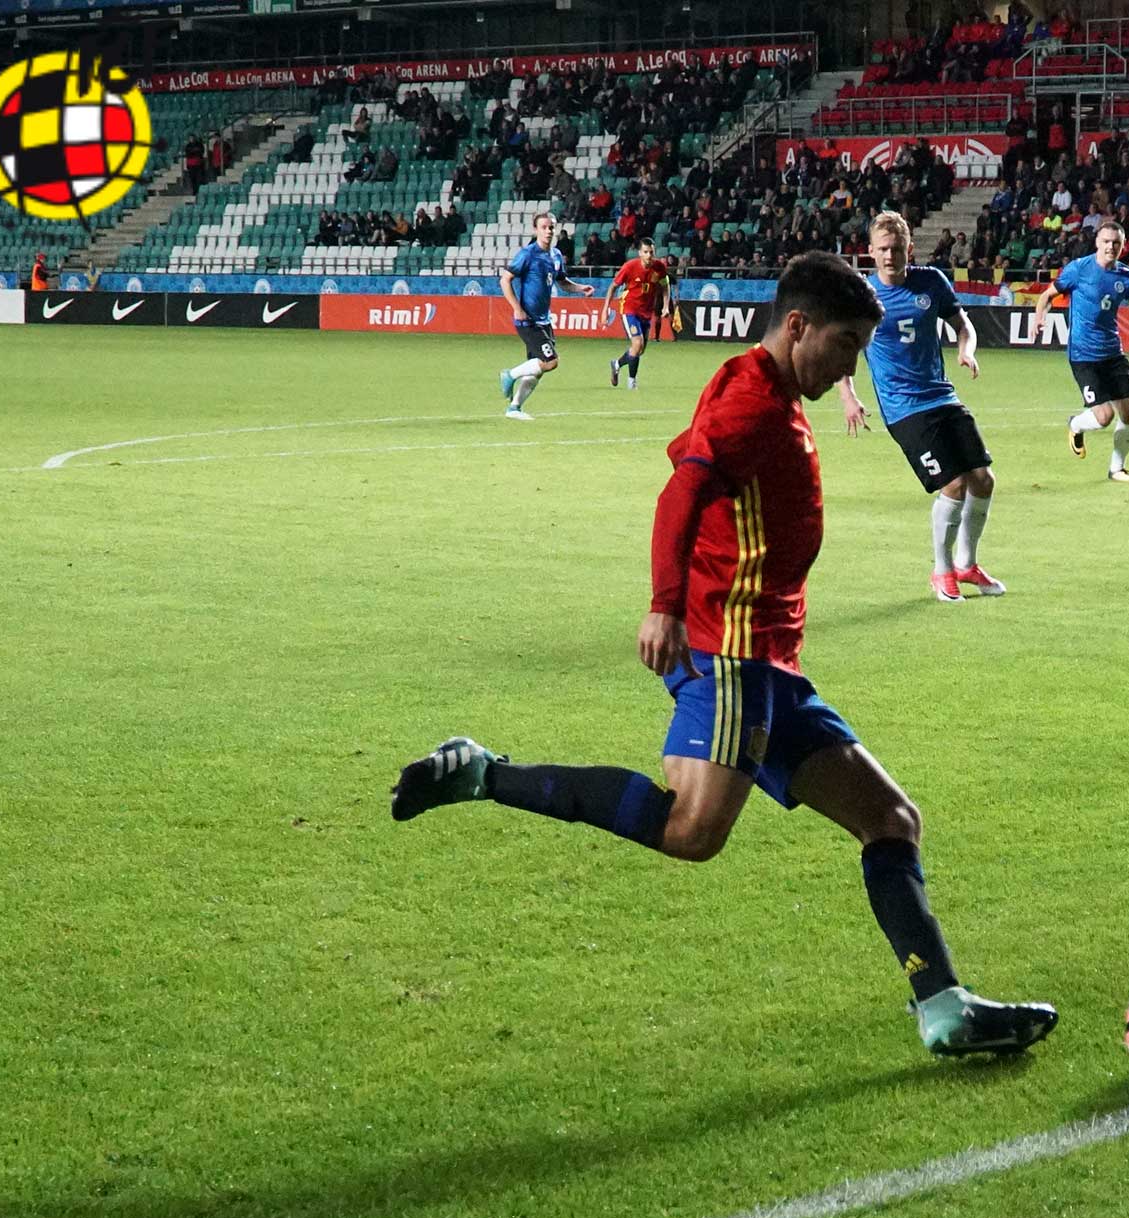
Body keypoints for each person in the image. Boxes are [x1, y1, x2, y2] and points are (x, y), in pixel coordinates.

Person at [389, 253, 1057, 1057]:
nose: (852, 364)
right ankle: (481, 772)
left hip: (772, 660)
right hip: (730, 650)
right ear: (799, 327)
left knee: (891, 818)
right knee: (693, 830)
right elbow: (682, 490)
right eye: (845, 345)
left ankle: (944, 1006)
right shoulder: (751, 401)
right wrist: (666, 606)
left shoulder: (762, 385)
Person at [840, 211, 1007, 603]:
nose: (889, 256)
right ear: (869, 252)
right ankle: (942, 570)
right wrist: (848, 394)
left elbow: (963, 324)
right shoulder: (862, 296)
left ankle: (967, 563)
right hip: (904, 409)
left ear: (909, 249)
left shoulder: (931, 281)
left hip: (943, 396)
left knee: (983, 480)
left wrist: (966, 351)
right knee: (953, 483)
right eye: (882, 249)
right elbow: (842, 348)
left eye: (896, 249)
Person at [1033, 222, 1129, 483]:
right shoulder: (1079, 269)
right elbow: (1048, 294)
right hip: (1084, 355)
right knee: (1104, 417)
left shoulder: (1126, 277)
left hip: (1113, 353)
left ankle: (1117, 469)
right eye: (1106, 241)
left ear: (1123, 245)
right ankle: (1075, 424)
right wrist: (1040, 316)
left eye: (1116, 243)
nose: (1111, 246)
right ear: (1097, 242)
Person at [498, 212, 596, 420]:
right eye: (544, 227)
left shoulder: (556, 255)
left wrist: (581, 289)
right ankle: (509, 375)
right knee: (551, 361)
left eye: (551, 227)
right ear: (536, 230)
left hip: (544, 320)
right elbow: (505, 280)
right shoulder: (527, 254)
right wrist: (517, 308)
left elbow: (563, 282)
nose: (548, 231)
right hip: (528, 320)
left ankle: (514, 408)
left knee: (537, 369)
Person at [602, 236, 672, 390]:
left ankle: (617, 364)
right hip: (629, 309)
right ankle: (632, 382)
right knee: (637, 343)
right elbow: (613, 287)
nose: (649, 256)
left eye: (651, 252)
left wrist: (666, 306)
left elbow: (665, 286)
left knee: (640, 350)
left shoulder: (659, 267)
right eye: (646, 252)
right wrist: (605, 309)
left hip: (646, 312)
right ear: (639, 252)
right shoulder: (629, 267)